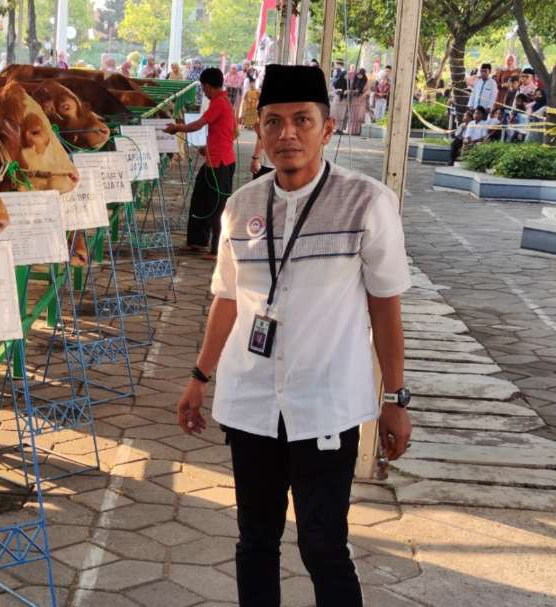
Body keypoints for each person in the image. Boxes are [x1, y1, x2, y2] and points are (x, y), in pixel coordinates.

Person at [175, 63, 412, 607]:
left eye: (302, 120)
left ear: (327, 129)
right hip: (251, 401)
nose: (287, 134)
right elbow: (228, 299)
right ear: (258, 130)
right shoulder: (241, 207)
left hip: (325, 405)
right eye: (274, 122)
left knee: (324, 545)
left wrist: (396, 397)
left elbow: (385, 307)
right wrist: (198, 377)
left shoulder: (367, 203)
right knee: (254, 542)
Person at [164, 67, 237, 259]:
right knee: (199, 199)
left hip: (220, 164)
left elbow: (199, 124)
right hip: (216, 160)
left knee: (216, 206)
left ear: (207, 86)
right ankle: (197, 241)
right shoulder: (225, 102)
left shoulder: (219, 102)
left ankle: (217, 249)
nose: (203, 92)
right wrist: (209, 146)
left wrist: (178, 128)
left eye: (203, 88)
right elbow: (232, 132)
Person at [347, 67, 368, 135]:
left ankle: (358, 131)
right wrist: (353, 91)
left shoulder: (366, 81)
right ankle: (351, 131)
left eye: (361, 74)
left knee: (359, 116)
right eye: (358, 74)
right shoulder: (354, 80)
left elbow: (367, 91)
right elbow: (351, 88)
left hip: (361, 100)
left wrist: (362, 94)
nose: (359, 76)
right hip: (354, 100)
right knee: (352, 116)